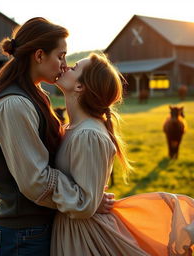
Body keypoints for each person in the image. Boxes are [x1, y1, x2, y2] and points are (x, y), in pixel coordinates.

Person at [0, 18, 113, 256]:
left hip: (35, 228)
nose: (64, 65)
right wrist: (84, 201)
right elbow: (35, 180)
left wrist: (88, 194)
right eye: (61, 56)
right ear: (39, 56)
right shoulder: (14, 104)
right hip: (23, 234)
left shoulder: (35, 95)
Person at [34, 53, 194, 255]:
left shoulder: (89, 135)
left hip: (83, 236)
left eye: (74, 68)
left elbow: (85, 202)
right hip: (72, 227)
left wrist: (46, 177)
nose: (65, 67)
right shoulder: (72, 128)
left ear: (80, 87)